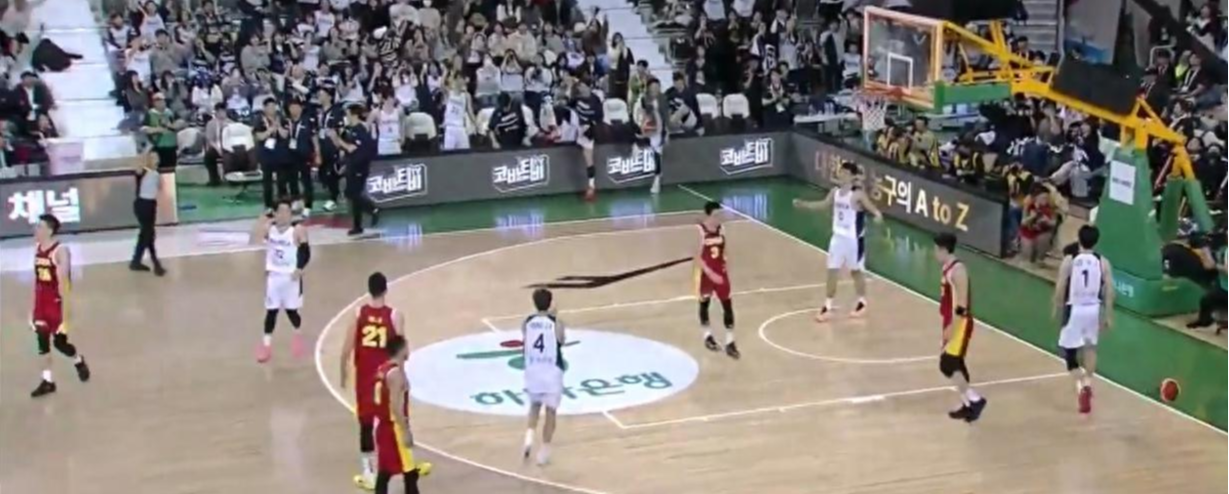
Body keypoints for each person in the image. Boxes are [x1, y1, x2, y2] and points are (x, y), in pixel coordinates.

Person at [792, 162, 884, 321]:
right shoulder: (835, 192)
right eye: (841, 172)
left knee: (855, 272)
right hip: (837, 238)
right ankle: (827, 306)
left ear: (853, 176)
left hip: (853, 240)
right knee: (832, 270)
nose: (842, 175)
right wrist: (804, 204)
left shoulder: (858, 194)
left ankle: (862, 302)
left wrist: (877, 217)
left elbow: (875, 211)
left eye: (846, 173)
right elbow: (822, 205)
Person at [340, 272, 403, 490]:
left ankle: (368, 471)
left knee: (365, 424)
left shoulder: (359, 314)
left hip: (365, 380)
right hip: (387, 378)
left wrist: (342, 373)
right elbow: (400, 352)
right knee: (392, 420)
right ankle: (403, 464)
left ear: (369, 290)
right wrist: (403, 376)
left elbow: (346, 348)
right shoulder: (394, 316)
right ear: (386, 289)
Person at [1053, 226, 1115, 415]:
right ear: (1096, 241)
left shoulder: (1070, 260)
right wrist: (1108, 315)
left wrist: (1056, 307)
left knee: (1069, 354)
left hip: (1074, 308)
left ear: (1078, 239)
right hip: (1093, 309)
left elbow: (1061, 285)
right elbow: (1110, 290)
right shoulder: (1103, 262)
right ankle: (1088, 383)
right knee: (1090, 348)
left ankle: (1080, 385)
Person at [30, 214, 92, 398]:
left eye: (40, 227)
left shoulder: (60, 251)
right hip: (41, 303)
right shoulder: (37, 249)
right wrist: (31, 308)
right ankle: (47, 381)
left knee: (60, 344)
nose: (36, 230)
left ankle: (78, 360)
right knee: (42, 344)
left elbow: (64, 285)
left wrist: (66, 316)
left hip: (56, 304)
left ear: (49, 231)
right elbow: (37, 281)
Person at [934, 233, 988, 422]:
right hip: (951, 320)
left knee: (948, 363)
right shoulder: (946, 267)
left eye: (935, 249)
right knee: (955, 364)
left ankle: (975, 400)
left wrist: (952, 327)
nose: (934, 253)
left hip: (960, 322)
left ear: (943, 249)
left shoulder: (958, 270)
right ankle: (967, 404)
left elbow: (962, 304)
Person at [250, 200, 311, 363]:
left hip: (290, 277)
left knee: (292, 311)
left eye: (287, 212)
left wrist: (300, 268)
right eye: (281, 212)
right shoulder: (269, 229)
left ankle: (298, 334)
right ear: (275, 213)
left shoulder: (297, 230)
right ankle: (266, 345)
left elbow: (305, 251)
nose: (285, 215)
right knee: (271, 311)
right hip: (274, 277)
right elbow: (253, 239)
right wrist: (262, 219)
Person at [372, 334, 432, 494]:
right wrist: (405, 430)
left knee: (385, 471)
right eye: (406, 347)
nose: (408, 350)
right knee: (409, 471)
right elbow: (395, 407)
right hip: (394, 428)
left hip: (383, 426)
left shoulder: (382, 369)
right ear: (400, 350)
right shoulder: (395, 374)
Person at [521, 288, 566, 465]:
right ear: (550, 302)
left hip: (533, 370)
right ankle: (544, 453)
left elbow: (526, 336)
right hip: (551, 371)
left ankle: (528, 440)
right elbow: (561, 340)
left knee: (534, 407)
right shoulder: (556, 322)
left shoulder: (527, 321)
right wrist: (554, 317)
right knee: (550, 412)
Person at [695, 201, 740, 359]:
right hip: (706, 275)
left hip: (720, 273)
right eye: (716, 214)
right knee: (704, 304)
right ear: (708, 215)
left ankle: (730, 342)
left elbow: (725, 250)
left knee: (727, 305)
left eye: (720, 214)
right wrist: (710, 273)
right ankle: (707, 336)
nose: (719, 217)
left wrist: (726, 265)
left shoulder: (722, 229)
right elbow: (697, 256)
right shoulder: (700, 230)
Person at [329, 104, 380, 236]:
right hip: (352, 165)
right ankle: (357, 225)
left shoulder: (361, 130)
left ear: (354, 115)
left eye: (348, 114)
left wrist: (338, 140)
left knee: (353, 193)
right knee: (353, 195)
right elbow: (342, 146)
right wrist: (335, 138)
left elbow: (351, 148)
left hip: (360, 166)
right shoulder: (349, 129)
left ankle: (372, 209)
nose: (346, 117)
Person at [253, 99, 294, 210]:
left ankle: (283, 203)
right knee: (267, 181)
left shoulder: (282, 119)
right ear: (264, 108)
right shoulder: (259, 120)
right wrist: (270, 130)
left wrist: (278, 126)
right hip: (266, 154)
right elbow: (259, 137)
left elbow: (285, 135)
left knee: (282, 180)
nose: (272, 109)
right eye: (269, 106)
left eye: (273, 106)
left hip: (280, 153)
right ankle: (268, 205)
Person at [131, 150, 167, 276]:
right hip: (143, 205)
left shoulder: (156, 173)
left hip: (151, 204)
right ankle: (156, 264)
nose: (156, 160)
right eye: (153, 158)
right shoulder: (143, 171)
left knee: (146, 234)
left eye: (157, 157)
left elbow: (161, 188)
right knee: (148, 234)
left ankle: (136, 261)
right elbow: (138, 168)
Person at [1188, 228, 1228, 330]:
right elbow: (1209, 266)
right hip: (1223, 286)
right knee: (1207, 299)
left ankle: (1208, 320)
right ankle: (1205, 320)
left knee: (1208, 299)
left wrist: (1215, 266)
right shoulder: (1225, 250)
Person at [315, 87, 347, 212]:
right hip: (322, 145)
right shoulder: (319, 112)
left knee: (332, 172)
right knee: (323, 173)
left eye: (322, 94)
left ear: (329, 96)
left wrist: (340, 146)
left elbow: (341, 130)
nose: (319, 96)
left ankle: (334, 198)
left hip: (333, 146)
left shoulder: (336, 112)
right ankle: (335, 194)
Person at [286, 98, 319, 216]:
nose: (293, 109)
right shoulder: (287, 121)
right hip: (291, 155)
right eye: (291, 107)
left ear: (301, 108)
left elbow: (314, 138)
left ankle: (308, 205)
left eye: (296, 107)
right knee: (292, 179)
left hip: (305, 155)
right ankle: (295, 200)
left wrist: (317, 153)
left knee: (306, 181)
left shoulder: (308, 121)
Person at [571, 79, 603, 201]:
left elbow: (599, 117)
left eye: (583, 86)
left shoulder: (595, 100)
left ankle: (591, 186)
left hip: (588, 130)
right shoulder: (576, 99)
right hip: (576, 127)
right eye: (579, 88)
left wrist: (591, 128)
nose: (582, 89)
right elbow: (569, 105)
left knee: (588, 158)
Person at [142, 92, 184, 170]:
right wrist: (157, 130)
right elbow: (144, 129)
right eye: (158, 100)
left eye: (163, 100)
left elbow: (181, 122)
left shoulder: (170, 112)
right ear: (154, 102)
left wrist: (171, 125)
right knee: (161, 168)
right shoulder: (150, 114)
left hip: (171, 145)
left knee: (172, 167)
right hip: (158, 146)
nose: (161, 102)